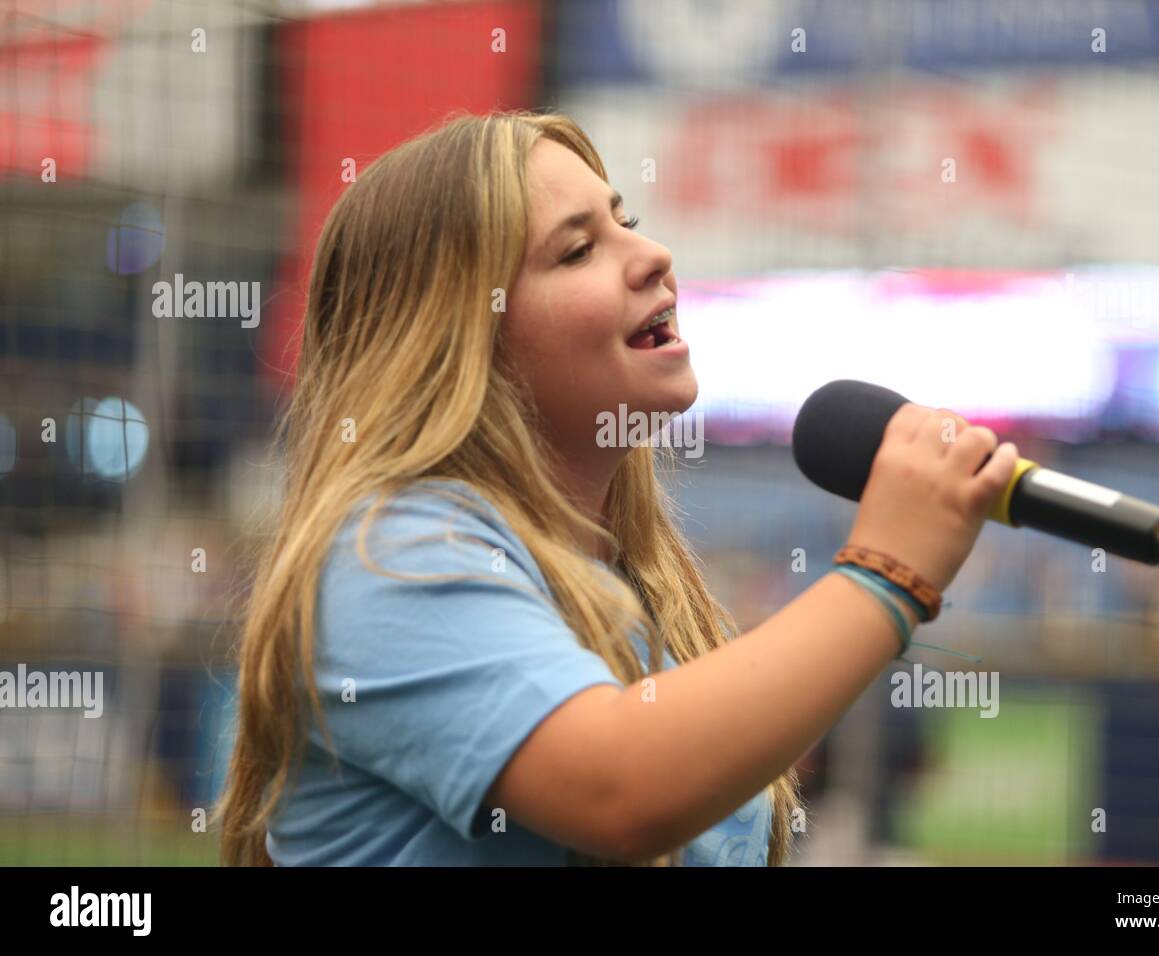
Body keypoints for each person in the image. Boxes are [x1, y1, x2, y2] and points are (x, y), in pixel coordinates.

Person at [215, 110, 1018, 866]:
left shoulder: (634, 587)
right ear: (458, 337)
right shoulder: (388, 557)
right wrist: (884, 575)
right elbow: (619, 785)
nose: (654, 255)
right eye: (577, 250)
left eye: (623, 223)